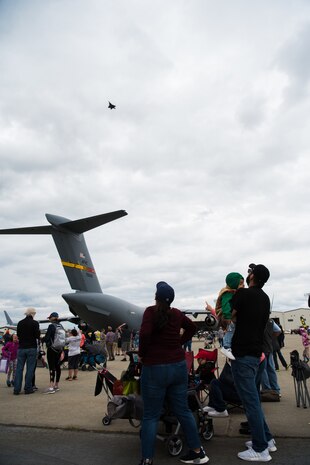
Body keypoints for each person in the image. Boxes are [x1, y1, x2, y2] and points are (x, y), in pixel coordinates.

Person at [138, 281, 209, 465]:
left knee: (151, 416)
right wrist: (178, 342)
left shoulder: (150, 312)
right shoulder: (177, 313)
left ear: (156, 297)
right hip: (178, 367)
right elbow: (193, 328)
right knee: (183, 411)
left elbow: (144, 335)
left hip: (155, 368)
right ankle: (196, 451)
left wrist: (143, 354)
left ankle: (147, 458)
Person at [231, 264, 277, 462]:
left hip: (243, 354)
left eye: (249, 271)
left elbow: (227, 316)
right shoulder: (265, 298)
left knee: (250, 402)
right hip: (257, 354)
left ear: (252, 276)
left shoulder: (243, 295)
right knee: (254, 400)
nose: (247, 273)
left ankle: (260, 449)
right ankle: (266, 439)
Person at [215, 272, 244, 360]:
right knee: (231, 328)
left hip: (228, 315)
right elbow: (226, 305)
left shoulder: (233, 291)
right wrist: (228, 317)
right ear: (234, 283)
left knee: (232, 329)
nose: (243, 285)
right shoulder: (227, 293)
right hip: (224, 314)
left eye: (243, 283)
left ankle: (228, 346)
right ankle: (226, 346)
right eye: (240, 283)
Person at [13, 307, 40, 395]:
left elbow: (19, 335)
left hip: (21, 348)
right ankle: (28, 388)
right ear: (33, 314)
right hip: (31, 347)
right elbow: (37, 335)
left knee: (19, 369)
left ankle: (16, 389)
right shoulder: (35, 323)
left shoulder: (20, 323)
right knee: (30, 369)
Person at [42, 312, 65, 394]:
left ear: (53, 318)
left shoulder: (51, 326)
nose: (49, 319)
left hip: (52, 349)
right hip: (59, 349)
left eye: (50, 318)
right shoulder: (61, 326)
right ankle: (56, 385)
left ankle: (51, 387)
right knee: (57, 367)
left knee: (52, 367)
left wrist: (43, 340)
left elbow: (47, 337)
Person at [261, 319, 281, 395]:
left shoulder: (256, 319)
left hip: (261, 349)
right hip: (269, 347)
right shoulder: (270, 321)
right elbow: (278, 331)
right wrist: (270, 337)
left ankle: (267, 389)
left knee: (263, 370)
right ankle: (276, 389)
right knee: (271, 369)